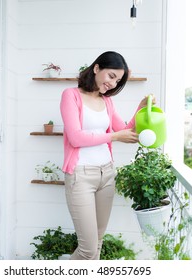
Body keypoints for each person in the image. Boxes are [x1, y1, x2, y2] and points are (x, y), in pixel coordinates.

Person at [60, 51, 153, 260]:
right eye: (111, 76)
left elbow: (125, 129)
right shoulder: (71, 95)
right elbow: (76, 138)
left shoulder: (107, 102)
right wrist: (114, 136)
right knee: (87, 249)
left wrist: (141, 108)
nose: (113, 83)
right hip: (80, 176)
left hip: (106, 174)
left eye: (117, 80)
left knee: (98, 242)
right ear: (96, 68)